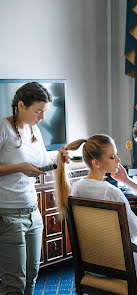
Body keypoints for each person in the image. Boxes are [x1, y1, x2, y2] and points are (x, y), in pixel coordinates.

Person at [54, 134, 137, 277]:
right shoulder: (112, 192)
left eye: (116, 155)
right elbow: (134, 230)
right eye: (112, 157)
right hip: (121, 266)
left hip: (93, 265)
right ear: (96, 163)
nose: (118, 160)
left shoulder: (75, 189)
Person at [0, 82, 69, 295]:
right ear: (21, 106)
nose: (42, 117)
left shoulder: (35, 130)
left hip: (33, 213)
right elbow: (22, 164)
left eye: (44, 112)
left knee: (32, 275)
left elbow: (39, 160)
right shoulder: (3, 128)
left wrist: (58, 156)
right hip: (9, 216)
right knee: (15, 283)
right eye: (37, 111)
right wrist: (19, 168)